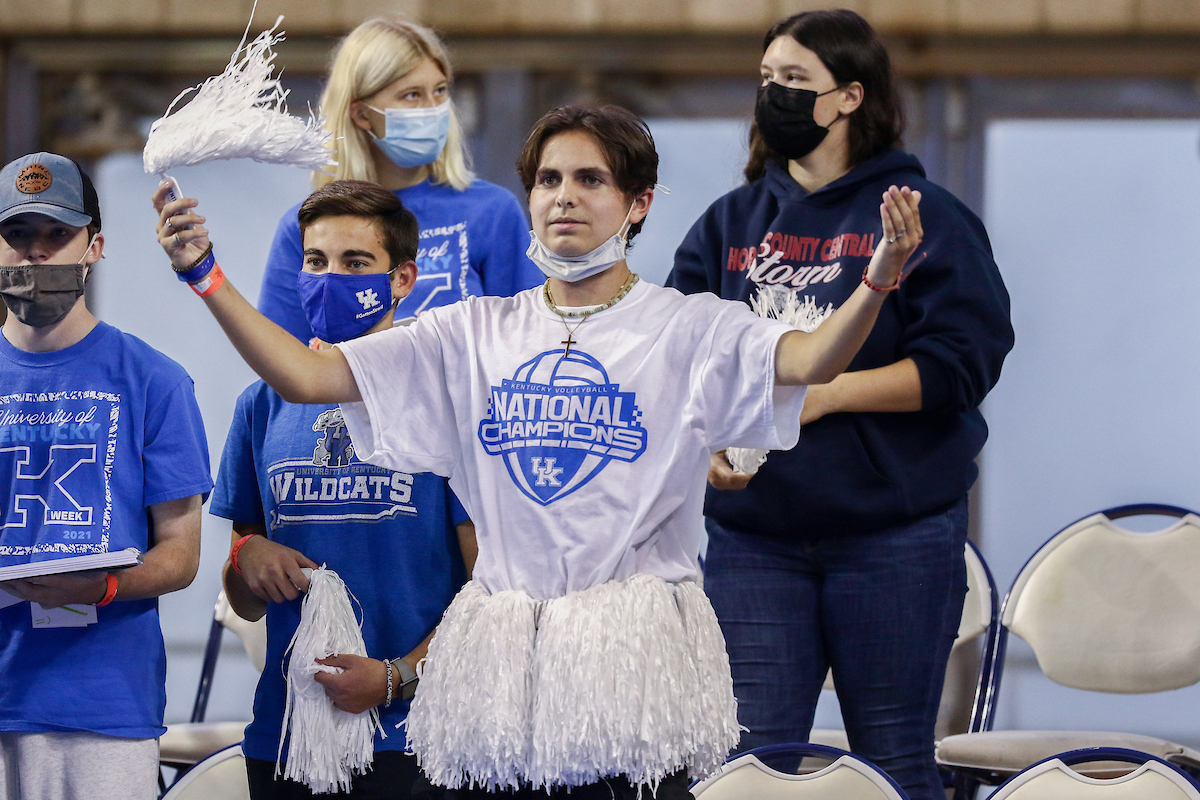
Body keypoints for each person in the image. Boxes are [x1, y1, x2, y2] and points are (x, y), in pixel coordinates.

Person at [151, 103, 923, 799]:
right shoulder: (474, 328)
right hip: (498, 671)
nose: (565, 195)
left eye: (591, 179)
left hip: (628, 665)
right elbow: (310, 374)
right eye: (549, 178)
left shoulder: (687, 327)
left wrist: (878, 281)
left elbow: (811, 360)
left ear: (638, 203)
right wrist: (205, 277)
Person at [667, 10, 1014, 800]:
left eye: (795, 81)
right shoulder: (727, 226)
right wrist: (707, 441)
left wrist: (819, 399)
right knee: (747, 768)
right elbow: (683, 363)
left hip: (895, 538)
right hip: (757, 544)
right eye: (766, 81)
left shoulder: (925, 217)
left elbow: (961, 367)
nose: (774, 96)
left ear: (851, 97)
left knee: (894, 759)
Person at [213, 180, 477, 799]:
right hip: (286, 736)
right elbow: (246, 599)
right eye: (316, 261)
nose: (330, 278)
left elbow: (489, 591)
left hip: (417, 739)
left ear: (402, 279)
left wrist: (395, 678)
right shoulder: (262, 406)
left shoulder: (446, 405)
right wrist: (245, 558)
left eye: (355, 263)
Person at [0, 152, 211, 799]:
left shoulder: (156, 381)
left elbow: (180, 555)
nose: (37, 254)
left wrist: (101, 587)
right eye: (18, 236)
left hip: (106, 708)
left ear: (94, 246)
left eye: (56, 235)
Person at [257, 18, 542, 344]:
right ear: (362, 114)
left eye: (439, 91)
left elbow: (527, 342)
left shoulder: (492, 211)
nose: (433, 109)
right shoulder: (308, 227)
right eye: (411, 95)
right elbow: (280, 362)